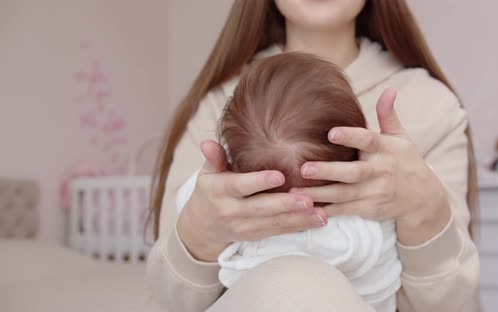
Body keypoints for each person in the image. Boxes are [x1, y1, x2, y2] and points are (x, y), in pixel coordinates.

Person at [146, 1, 480, 311]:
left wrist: (424, 210)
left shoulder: (432, 106)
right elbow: (168, 301)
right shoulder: (217, 105)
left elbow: (452, 303)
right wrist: (199, 235)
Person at [175, 52, 402, 311]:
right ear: (354, 151)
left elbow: (187, 200)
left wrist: (224, 170)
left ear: (237, 166)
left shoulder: (236, 218)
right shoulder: (369, 218)